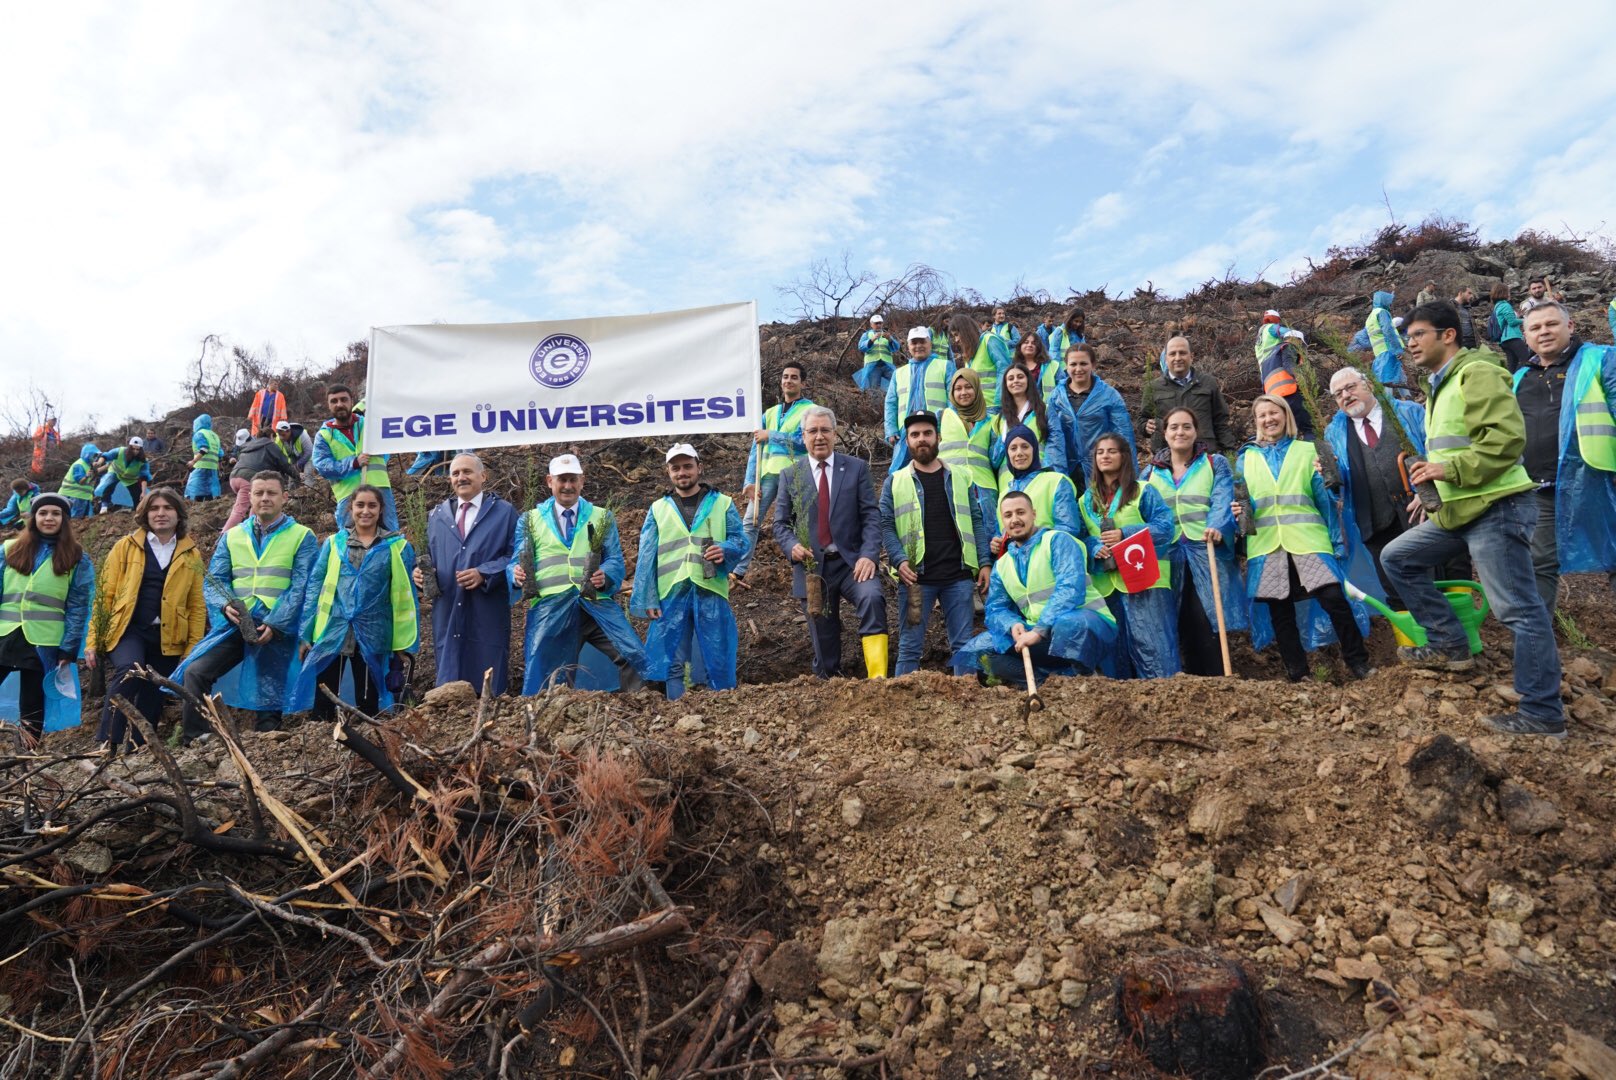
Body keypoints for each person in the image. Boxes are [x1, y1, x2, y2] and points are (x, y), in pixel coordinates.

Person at [1381, 301, 1565, 737]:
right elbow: (1455, 447)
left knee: (1518, 610)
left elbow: (1504, 439)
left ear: (1448, 334)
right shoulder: (1440, 385)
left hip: (1496, 507)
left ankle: (1543, 713)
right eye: (1407, 338)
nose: (1410, 344)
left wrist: (1448, 471)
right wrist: (1437, 487)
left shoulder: (1476, 372)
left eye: (1418, 335)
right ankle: (1449, 645)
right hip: (1462, 507)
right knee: (1398, 558)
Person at [171, 472, 317, 741]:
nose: (265, 498)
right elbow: (216, 580)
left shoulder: (302, 536)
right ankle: (195, 737)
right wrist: (226, 604)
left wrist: (276, 623)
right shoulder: (232, 536)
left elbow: (302, 587)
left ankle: (268, 740)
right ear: (249, 497)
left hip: (275, 626)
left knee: (268, 685)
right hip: (238, 623)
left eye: (271, 493)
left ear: (284, 497)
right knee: (195, 671)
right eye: (259, 492)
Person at [1235, 395, 1370, 681]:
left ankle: (1358, 662)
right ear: (1256, 421)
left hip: (1309, 540)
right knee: (1280, 613)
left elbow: (1329, 502)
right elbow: (1239, 506)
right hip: (1267, 546)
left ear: (1286, 416)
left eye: (1274, 413)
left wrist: (1336, 542)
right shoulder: (1244, 459)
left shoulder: (1308, 451)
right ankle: (1297, 672)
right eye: (1262, 415)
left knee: (1334, 599)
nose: (1269, 419)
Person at [509, 455, 651, 694]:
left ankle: (640, 705)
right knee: (545, 669)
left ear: (582, 481)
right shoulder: (530, 520)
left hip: (595, 605)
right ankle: (550, 714)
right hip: (550, 608)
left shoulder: (602, 517)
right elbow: (517, 559)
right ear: (549, 481)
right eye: (561, 479)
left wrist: (605, 575)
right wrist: (515, 574)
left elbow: (614, 559)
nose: (567, 486)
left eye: (572, 479)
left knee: (633, 653)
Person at [1512, 302, 1616, 611]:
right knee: (1539, 562)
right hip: (1541, 487)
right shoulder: (1520, 377)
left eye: (1551, 324)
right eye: (1535, 327)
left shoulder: (1601, 359)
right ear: (1526, 337)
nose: (1543, 332)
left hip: (1601, 480)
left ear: (1569, 327)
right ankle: (1539, 637)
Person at [85, 488, 206, 751]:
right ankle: (108, 740)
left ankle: (139, 746)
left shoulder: (191, 553)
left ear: (178, 514)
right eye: (154, 508)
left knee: (154, 689)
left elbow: (197, 605)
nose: (161, 513)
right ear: (145, 514)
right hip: (128, 629)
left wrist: (192, 648)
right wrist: (93, 640)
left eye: (167, 508)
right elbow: (105, 595)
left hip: (170, 633)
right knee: (131, 668)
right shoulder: (125, 547)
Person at [774, 408, 889, 679]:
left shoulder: (856, 468)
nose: (819, 436)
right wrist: (792, 546)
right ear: (803, 437)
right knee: (823, 635)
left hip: (852, 564)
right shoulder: (790, 475)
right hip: (813, 569)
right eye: (812, 431)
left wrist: (869, 555)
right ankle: (830, 688)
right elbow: (781, 524)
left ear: (835, 434)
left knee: (872, 598)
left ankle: (878, 680)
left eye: (825, 430)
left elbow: (871, 515)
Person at [955, 490, 1116, 682]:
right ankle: (1048, 685)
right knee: (980, 650)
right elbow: (995, 609)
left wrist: (1039, 631)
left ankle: (1086, 677)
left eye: (1020, 512)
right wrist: (1012, 625)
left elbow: (1070, 589)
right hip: (1038, 633)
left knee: (1068, 625)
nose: (1014, 519)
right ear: (1003, 522)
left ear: (1034, 514)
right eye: (1008, 515)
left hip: (1088, 627)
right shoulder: (1003, 564)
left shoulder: (1057, 541)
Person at [880, 412, 991, 676]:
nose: (922, 439)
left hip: (958, 576)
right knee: (909, 647)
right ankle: (900, 704)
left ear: (938, 437)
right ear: (907, 442)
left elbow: (976, 520)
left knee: (964, 645)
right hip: (916, 579)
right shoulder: (895, 481)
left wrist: (984, 561)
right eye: (915, 435)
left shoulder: (961, 476)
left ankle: (967, 700)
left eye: (927, 433)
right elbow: (886, 525)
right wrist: (899, 559)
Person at [296, 484, 419, 720]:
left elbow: (405, 596)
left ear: (381, 510)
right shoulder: (334, 544)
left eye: (372, 505)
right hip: (333, 632)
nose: (366, 511)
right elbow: (315, 587)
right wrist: (306, 633)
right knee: (325, 697)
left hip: (374, 635)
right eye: (360, 505)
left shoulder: (397, 547)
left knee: (368, 700)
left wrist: (404, 644)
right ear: (350, 508)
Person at [631, 444, 747, 692]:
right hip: (671, 590)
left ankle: (723, 705)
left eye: (687, 466)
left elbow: (740, 539)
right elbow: (647, 557)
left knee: (717, 656)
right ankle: (677, 708)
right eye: (676, 468)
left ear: (699, 468)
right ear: (668, 472)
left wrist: (724, 549)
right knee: (672, 657)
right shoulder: (658, 509)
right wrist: (648, 597)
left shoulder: (723, 503)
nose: (682, 472)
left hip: (710, 588)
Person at [1143, 408, 1249, 675]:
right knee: (1177, 617)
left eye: (1186, 427)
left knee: (1206, 616)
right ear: (1164, 434)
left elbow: (1222, 496)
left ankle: (1216, 676)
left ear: (1196, 432)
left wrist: (1216, 525)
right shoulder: (1149, 473)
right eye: (1174, 427)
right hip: (1167, 554)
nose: (1180, 432)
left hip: (1205, 547)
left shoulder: (1214, 463)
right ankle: (1190, 679)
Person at [1324, 367, 1432, 609]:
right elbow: (1338, 487)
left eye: (1350, 387)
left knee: (1435, 579)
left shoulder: (1408, 413)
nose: (1346, 395)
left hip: (1419, 512)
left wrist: (1427, 493)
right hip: (1374, 521)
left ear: (1369, 385)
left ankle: (1451, 641)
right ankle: (1413, 643)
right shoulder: (1334, 434)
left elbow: (1436, 453)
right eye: (1338, 393)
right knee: (1394, 587)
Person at [412, 453, 518, 696]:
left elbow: (517, 557)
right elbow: (426, 556)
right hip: (447, 608)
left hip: (486, 606)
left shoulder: (504, 513)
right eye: (456, 473)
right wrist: (419, 574)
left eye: (467, 472)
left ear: (483, 476)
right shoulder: (437, 516)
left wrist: (485, 572)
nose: (461, 477)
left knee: (487, 670)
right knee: (450, 676)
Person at [1079, 433, 1180, 679]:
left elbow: (1166, 527)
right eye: (1100, 452)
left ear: (1124, 457)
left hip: (1143, 580)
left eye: (1112, 451)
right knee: (1116, 651)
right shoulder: (1085, 500)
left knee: (1152, 645)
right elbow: (1080, 537)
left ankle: (1163, 697)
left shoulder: (1143, 491)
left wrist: (1125, 533)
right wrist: (1093, 547)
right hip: (1107, 585)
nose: (1105, 456)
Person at [0, 494, 93, 742]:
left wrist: (69, 648)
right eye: (43, 513)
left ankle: (27, 757)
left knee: (32, 701)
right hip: (6, 634)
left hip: (44, 641)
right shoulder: (9, 550)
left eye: (55, 513)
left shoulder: (76, 558)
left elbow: (78, 607)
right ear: (34, 518)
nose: (49, 518)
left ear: (64, 519)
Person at [735, 361, 814, 580]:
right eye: (785, 376)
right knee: (751, 521)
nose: (788, 380)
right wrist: (749, 481)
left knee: (799, 523)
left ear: (802, 383)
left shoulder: (810, 410)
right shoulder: (770, 413)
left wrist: (773, 435)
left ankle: (806, 570)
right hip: (767, 476)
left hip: (796, 475)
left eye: (794, 377)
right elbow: (755, 450)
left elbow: (806, 442)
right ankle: (738, 570)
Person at [314, 384, 397, 530]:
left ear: (352, 401)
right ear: (328, 405)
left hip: (380, 489)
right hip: (348, 495)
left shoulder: (370, 424)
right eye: (334, 401)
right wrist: (353, 463)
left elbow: (387, 449)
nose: (339, 404)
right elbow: (322, 466)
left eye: (343, 399)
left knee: (389, 536)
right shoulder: (324, 436)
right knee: (350, 541)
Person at [1051, 343, 1134, 487]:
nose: (1078, 369)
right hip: (1066, 468)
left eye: (1083, 363)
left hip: (1102, 468)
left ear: (1093, 365)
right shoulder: (1056, 396)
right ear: (1066, 366)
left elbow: (1123, 436)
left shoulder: (1109, 395)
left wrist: (1129, 474)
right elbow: (1051, 435)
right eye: (1073, 364)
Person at [1144, 336, 1237, 455]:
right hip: (1167, 458)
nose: (1178, 358)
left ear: (1191, 356)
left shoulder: (1208, 383)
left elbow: (1221, 421)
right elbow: (1144, 419)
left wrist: (1230, 454)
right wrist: (1146, 427)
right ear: (1166, 359)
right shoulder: (1153, 387)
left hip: (1205, 455)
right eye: (1172, 354)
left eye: (1182, 353)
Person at [994, 426, 1081, 541]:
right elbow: (1003, 533)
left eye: (1025, 446)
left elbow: (1068, 530)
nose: (1019, 453)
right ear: (1007, 453)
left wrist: (1032, 540)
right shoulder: (1003, 495)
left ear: (1034, 450)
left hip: (1050, 556)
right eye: (1013, 448)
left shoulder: (1057, 481)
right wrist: (999, 542)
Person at [886, 327, 954, 473]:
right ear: (908, 346)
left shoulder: (945, 366)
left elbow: (952, 400)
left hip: (937, 430)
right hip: (905, 432)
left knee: (940, 471)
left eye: (922, 341)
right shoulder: (898, 373)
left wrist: (946, 428)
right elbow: (891, 403)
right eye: (914, 343)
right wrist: (890, 430)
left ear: (930, 343)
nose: (918, 346)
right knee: (898, 473)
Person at [940, 369, 999, 529]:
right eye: (958, 389)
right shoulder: (941, 417)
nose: (963, 392)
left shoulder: (991, 420)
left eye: (968, 387)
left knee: (989, 535)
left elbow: (996, 459)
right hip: (952, 485)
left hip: (984, 488)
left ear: (977, 389)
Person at [991, 364, 1068, 481]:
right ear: (1005, 385)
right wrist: (1003, 440)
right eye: (1011, 379)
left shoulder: (1045, 411)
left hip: (1039, 477)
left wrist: (1053, 478)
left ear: (1029, 381)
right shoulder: (998, 420)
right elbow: (994, 460)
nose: (1015, 381)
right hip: (1008, 483)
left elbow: (1056, 447)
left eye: (1020, 377)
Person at [223, 426, 300, 531]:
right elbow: (284, 464)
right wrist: (298, 476)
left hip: (234, 477)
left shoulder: (249, 445)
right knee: (239, 511)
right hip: (248, 479)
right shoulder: (271, 445)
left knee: (255, 506)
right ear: (271, 436)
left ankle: (254, 531)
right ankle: (223, 538)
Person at [1254, 312, 1314, 437]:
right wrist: (1302, 381)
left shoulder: (1258, 342)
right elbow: (1289, 365)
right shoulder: (1273, 331)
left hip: (1270, 386)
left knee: (1286, 429)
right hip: (1288, 390)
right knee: (1307, 427)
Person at [951, 314, 1013, 412]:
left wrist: (999, 402)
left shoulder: (989, 340)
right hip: (978, 408)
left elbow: (1005, 369)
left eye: (957, 335)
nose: (956, 340)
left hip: (995, 407)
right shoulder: (970, 353)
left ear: (966, 331)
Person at [94, 437, 152, 511]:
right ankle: (104, 506)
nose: (135, 451)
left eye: (137, 449)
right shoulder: (119, 451)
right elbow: (105, 456)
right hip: (115, 472)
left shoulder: (143, 461)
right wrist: (99, 463)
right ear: (129, 447)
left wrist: (143, 492)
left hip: (130, 479)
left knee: (137, 494)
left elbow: (144, 477)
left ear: (141, 450)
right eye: (133, 449)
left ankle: (136, 510)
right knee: (109, 484)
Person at [1365, 291, 1407, 389]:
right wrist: (1397, 349)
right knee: (1388, 382)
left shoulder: (1370, 318)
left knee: (1400, 379)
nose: (1390, 304)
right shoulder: (1382, 312)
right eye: (1388, 301)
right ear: (1384, 301)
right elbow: (1388, 331)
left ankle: (1409, 399)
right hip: (1389, 351)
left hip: (1379, 353)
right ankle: (1388, 403)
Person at [854, 314, 898, 394]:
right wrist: (871, 340)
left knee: (897, 383)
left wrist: (890, 340)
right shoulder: (867, 334)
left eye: (880, 323)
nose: (878, 325)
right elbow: (860, 347)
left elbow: (896, 347)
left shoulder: (887, 335)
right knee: (874, 390)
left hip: (887, 365)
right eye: (876, 323)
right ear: (871, 324)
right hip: (873, 367)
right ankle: (875, 405)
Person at [1489, 283, 1528, 371]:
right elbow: (1512, 322)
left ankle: (1511, 382)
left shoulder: (1497, 306)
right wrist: (1527, 320)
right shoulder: (1505, 305)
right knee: (1526, 359)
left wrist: (1517, 316)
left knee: (1512, 364)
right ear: (1504, 293)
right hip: (1512, 337)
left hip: (1504, 340)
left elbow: (1506, 322)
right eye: (1508, 292)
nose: (1509, 294)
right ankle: (1520, 379)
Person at [1015, 330, 1062, 398]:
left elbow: (1062, 389)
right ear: (1020, 346)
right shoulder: (1014, 367)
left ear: (1039, 347)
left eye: (1033, 343)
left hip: (1047, 407)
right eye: (1026, 342)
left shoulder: (1052, 366)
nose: (1029, 345)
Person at [185, 414, 222, 501]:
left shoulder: (199, 434)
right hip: (213, 467)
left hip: (201, 466)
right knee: (211, 491)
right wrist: (220, 469)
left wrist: (193, 461)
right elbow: (220, 454)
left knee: (194, 490)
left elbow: (204, 449)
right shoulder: (215, 436)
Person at [58, 444, 101, 518]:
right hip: (74, 496)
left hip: (83, 497)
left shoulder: (88, 464)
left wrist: (107, 466)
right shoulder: (79, 465)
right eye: (94, 455)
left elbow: (95, 472)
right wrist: (87, 476)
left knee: (87, 519)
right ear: (87, 455)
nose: (95, 457)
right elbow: (80, 481)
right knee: (75, 519)